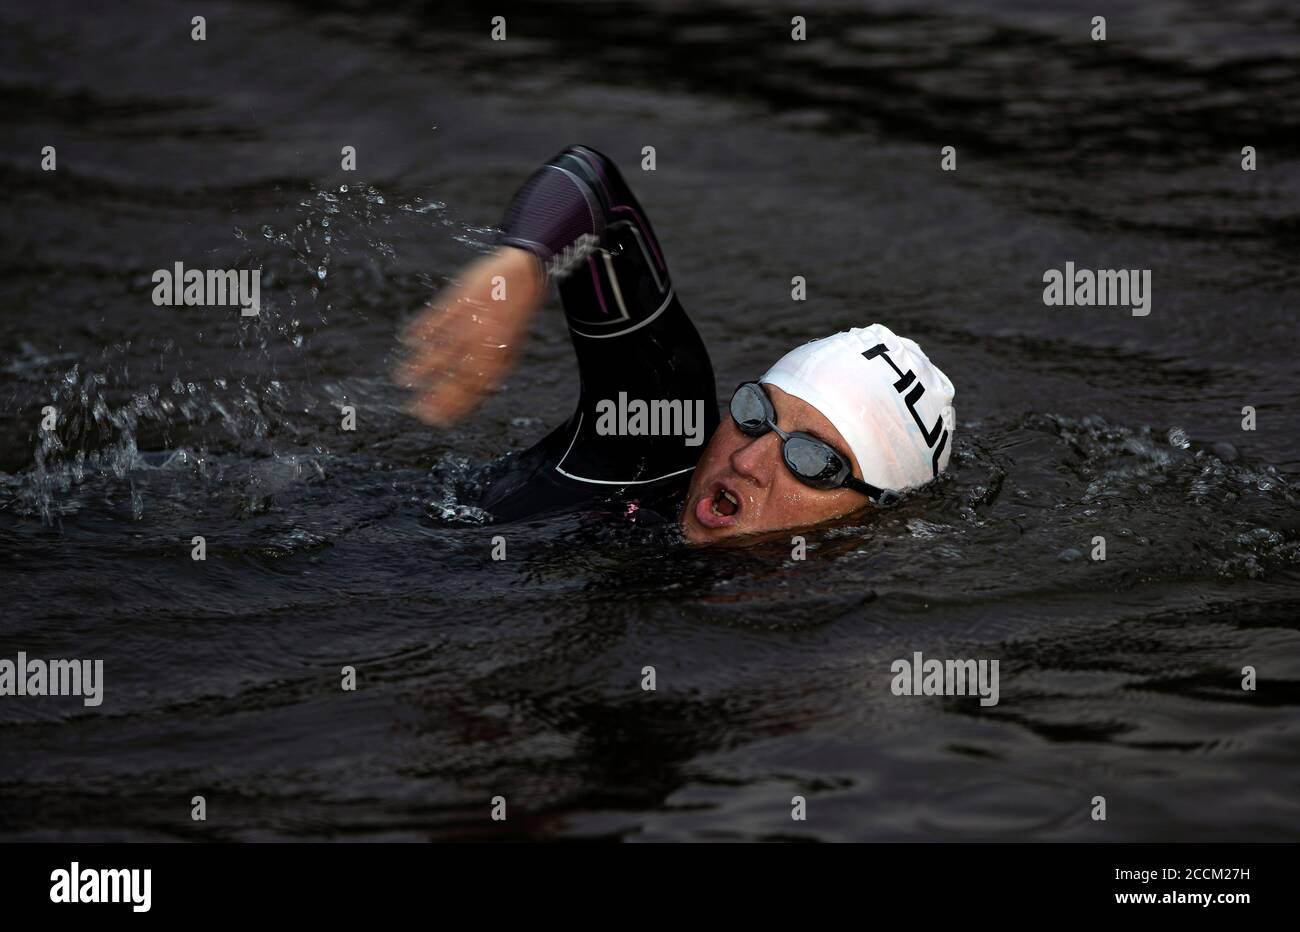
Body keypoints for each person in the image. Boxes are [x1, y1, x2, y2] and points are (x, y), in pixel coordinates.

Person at [394, 145, 956, 544]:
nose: (746, 458)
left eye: (812, 461)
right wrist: (523, 263)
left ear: (871, 518)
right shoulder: (648, 446)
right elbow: (598, 190)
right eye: (755, 413)